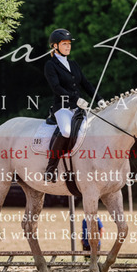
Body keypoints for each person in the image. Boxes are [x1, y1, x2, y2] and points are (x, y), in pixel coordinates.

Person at [43, 28, 106, 182]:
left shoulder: (73, 64)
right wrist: (75, 99)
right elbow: (56, 87)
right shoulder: (50, 65)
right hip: (62, 107)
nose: (68, 46)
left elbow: (86, 84)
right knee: (66, 131)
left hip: (79, 108)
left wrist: (99, 99)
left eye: (69, 44)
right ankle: (51, 168)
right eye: (64, 44)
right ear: (55, 46)